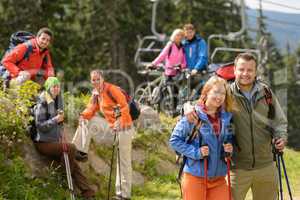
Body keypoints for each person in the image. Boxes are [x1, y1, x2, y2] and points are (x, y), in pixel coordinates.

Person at [185, 52, 288, 200]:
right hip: (236, 168)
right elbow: (202, 105)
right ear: (234, 70)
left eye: (250, 70)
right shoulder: (226, 94)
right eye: (241, 69)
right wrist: (186, 107)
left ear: (255, 71)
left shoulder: (266, 93)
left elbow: (279, 121)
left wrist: (281, 137)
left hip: (266, 166)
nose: (245, 73)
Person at [170, 75, 235, 200]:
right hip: (195, 178)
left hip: (219, 179)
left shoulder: (226, 118)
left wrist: (228, 148)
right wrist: (196, 153)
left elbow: (228, 140)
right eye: (216, 91)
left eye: (223, 93)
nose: (220, 96)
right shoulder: (193, 115)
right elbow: (175, 140)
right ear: (206, 92)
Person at [33, 77, 95, 199]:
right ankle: (63, 178)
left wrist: (59, 121)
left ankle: (88, 194)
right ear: (48, 88)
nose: (56, 89)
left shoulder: (57, 100)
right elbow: (40, 126)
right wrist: (55, 120)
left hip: (54, 142)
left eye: (57, 86)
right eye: (53, 86)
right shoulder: (42, 103)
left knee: (74, 164)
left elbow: (58, 123)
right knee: (71, 148)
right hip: (43, 142)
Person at [79, 70, 135, 200]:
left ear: (103, 79)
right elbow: (91, 109)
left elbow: (124, 106)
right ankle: (81, 151)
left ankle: (124, 195)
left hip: (125, 127)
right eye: (93, 80)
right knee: (88, 120)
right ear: (91, 81)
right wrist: (83, 116)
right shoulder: (95, 94)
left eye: (98, 79)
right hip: (112, 128)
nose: (96, 82)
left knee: (123, 161)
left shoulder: (112, 89)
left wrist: (119, 121)